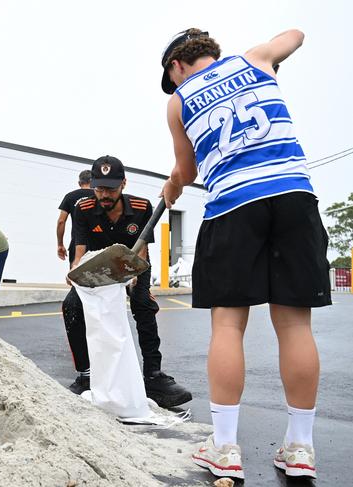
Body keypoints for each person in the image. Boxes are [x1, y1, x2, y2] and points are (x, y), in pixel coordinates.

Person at [160, 29, 329, 480]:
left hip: (234, 203)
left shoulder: (179, 101)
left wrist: (173, 185)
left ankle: (226, 446)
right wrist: (268, 60)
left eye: (171, 77)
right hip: (293, 194)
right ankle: (300, 448)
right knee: (295, 323)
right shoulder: (254, 58)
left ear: (177, 66)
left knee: (228, 323)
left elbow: (189, 168)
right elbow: (296, 34)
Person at [63, 155, 192, 408]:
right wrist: (75, 273)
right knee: (72, 307)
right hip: (97, 265)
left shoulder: (142, 207)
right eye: (99, 188)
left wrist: (132, 278)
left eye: (110, 189)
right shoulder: (83, 208)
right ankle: (86, 375)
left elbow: (142, 252)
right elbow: (79, 249)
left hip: (133, 263)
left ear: (123, 184)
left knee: (144, 304)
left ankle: (153, 376)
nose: (104, 194)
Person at [56, 170, 94, 266]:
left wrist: (60, 244)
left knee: (75, 276)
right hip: (97, 244)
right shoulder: (100, 197)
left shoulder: (70, 197)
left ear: (79, 183)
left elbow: (61, 221)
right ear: (93, 182)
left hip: (77, 244)